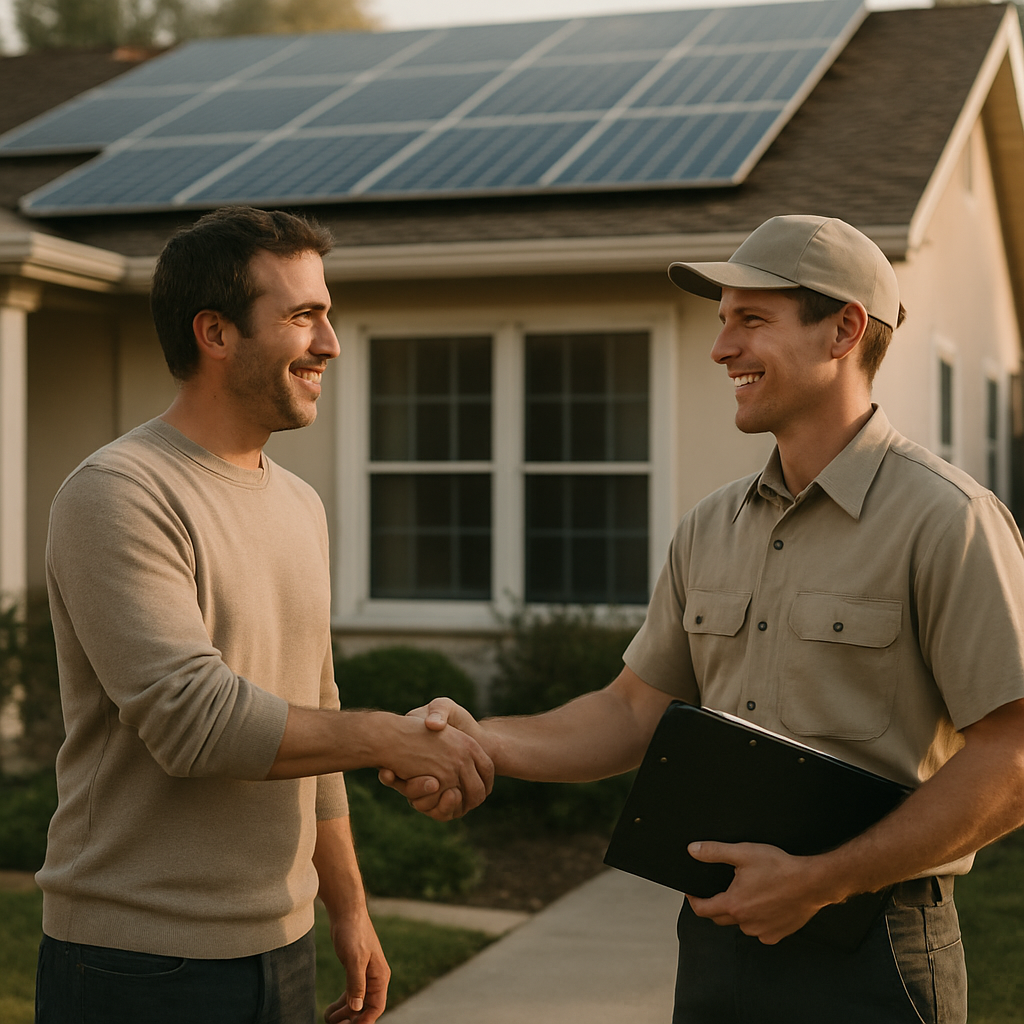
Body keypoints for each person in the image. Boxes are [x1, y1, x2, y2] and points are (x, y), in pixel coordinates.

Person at [384, 215, 1024, 1023]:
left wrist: (825, 880)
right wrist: (478, 740)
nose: (721, 349)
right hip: (716, 934)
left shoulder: (948, 521)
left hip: (875, 948)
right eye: (722, 321)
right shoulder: (709, 527)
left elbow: (1014, 751)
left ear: (844, 330)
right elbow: (627, 713)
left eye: (750, 319)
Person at [35, 206, 493, 1024]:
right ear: (215, 333)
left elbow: (312, 712)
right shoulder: (119, 493)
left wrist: (346, 907)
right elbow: (192, 721)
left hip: (280, 948)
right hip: (137, 961)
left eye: (328, 314)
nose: (331, 343)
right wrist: (390, 736)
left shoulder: (299, 503)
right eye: (302, 316)